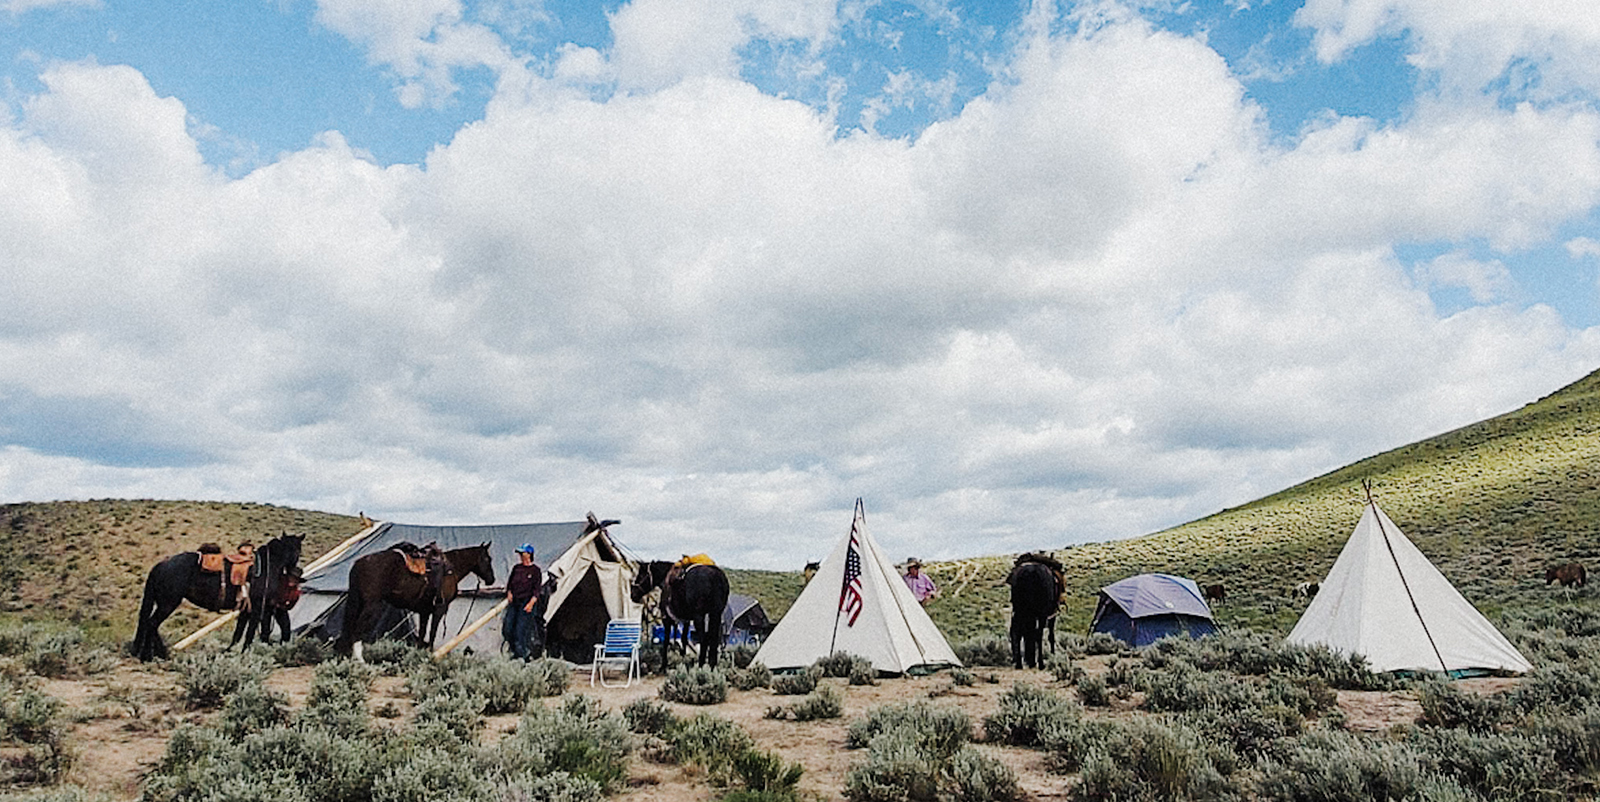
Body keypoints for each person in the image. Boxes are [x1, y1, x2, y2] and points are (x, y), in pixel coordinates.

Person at [503, 543, 542, 661]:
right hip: (515, 601)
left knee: (520, 630)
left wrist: (531, 603)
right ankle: (514, 651)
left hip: (526, 602)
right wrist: (509, 593)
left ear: (529, 554)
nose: (520, 555)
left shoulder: (535, 570)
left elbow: (537, 590)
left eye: (522, 553)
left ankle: (522, 656)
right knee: (508, 628)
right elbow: (510, 584)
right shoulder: (517, 568)